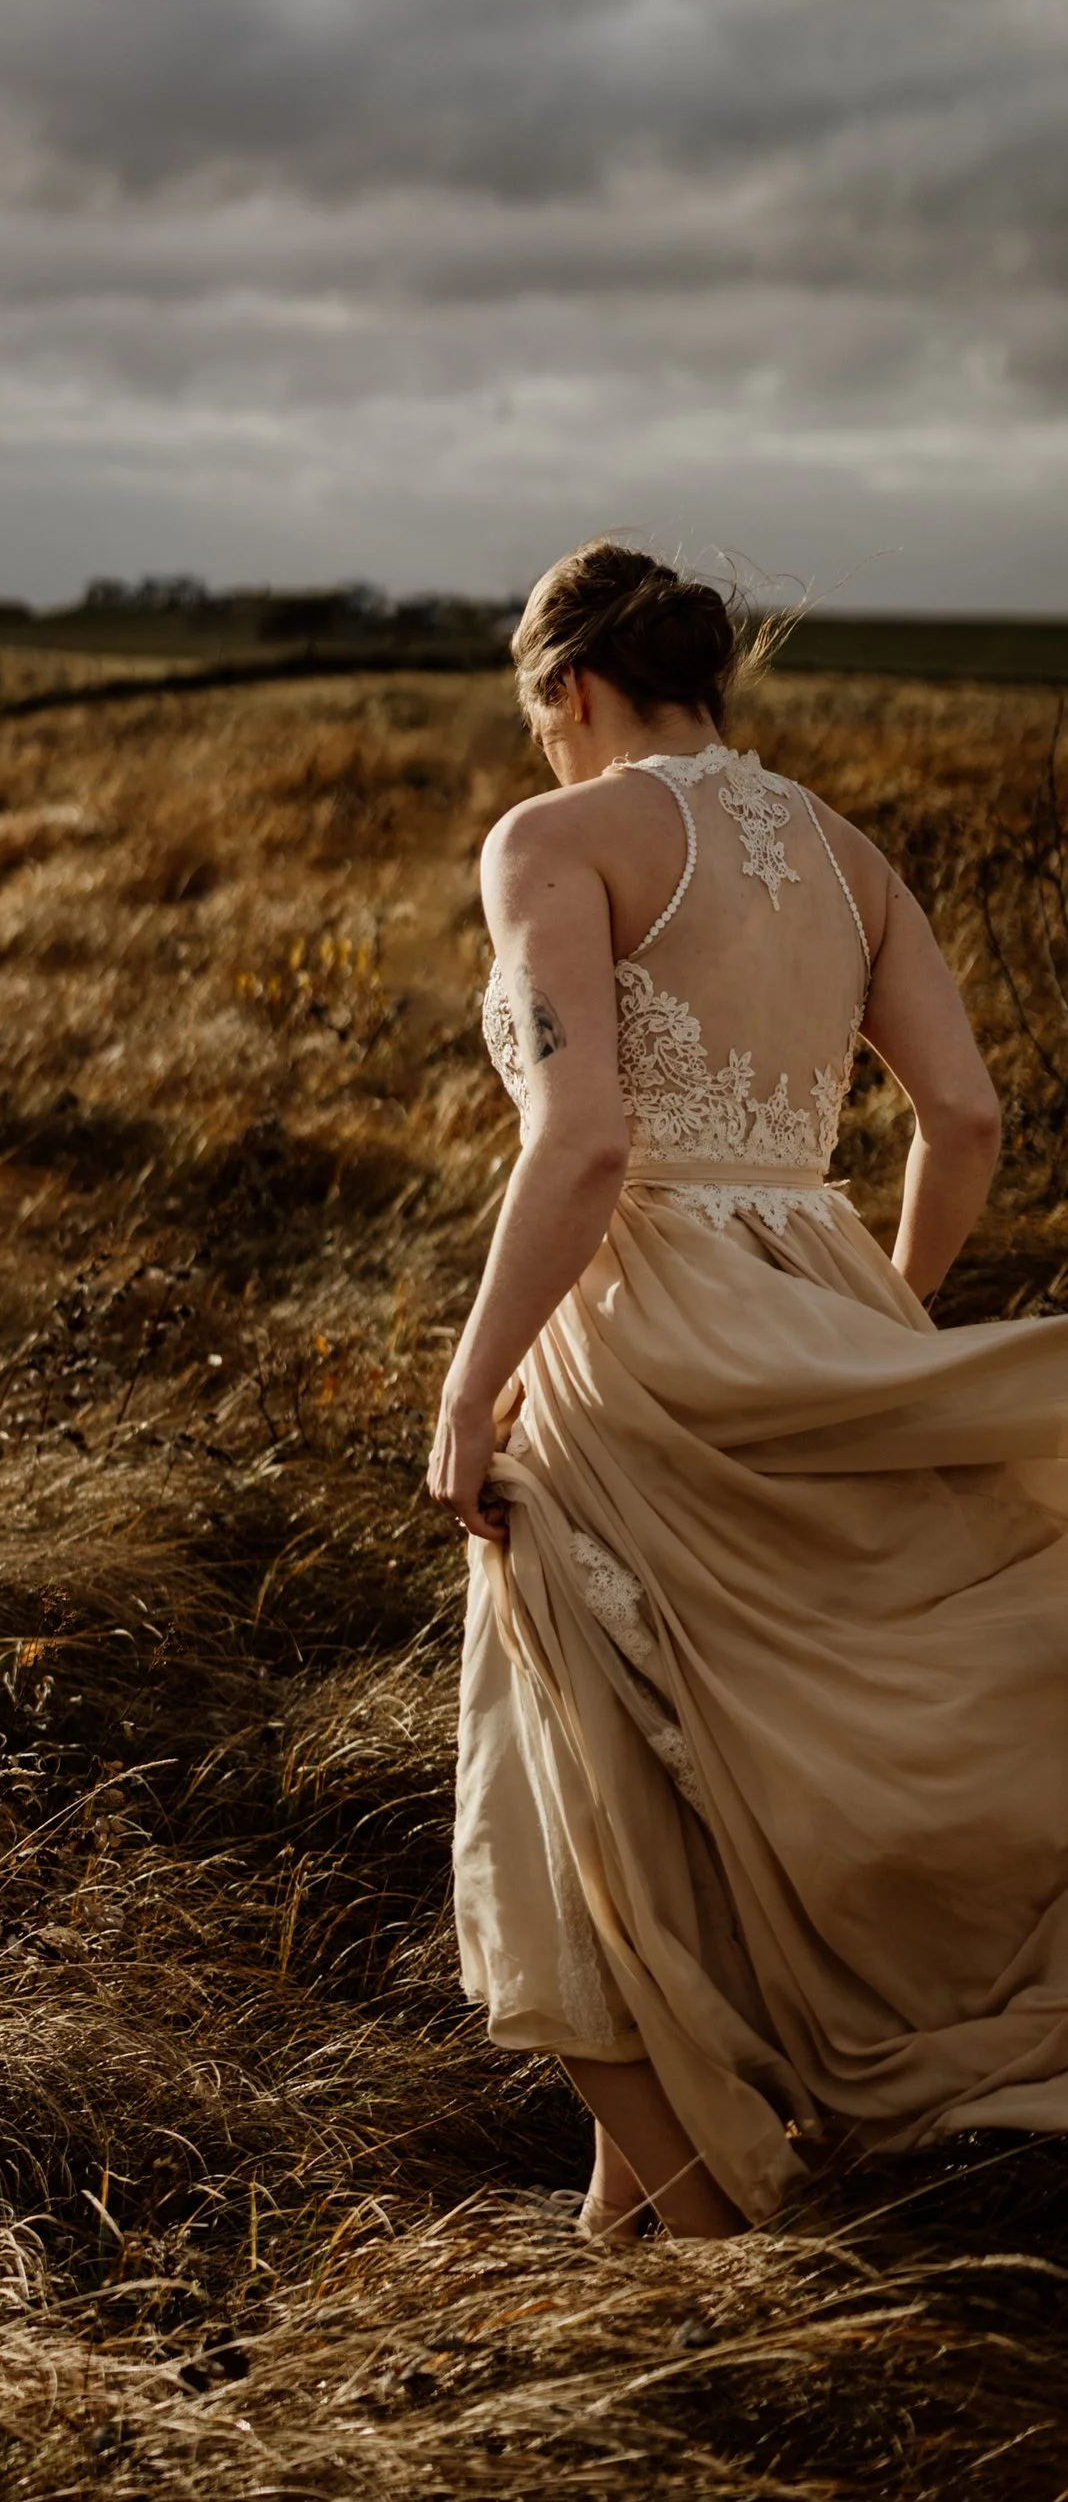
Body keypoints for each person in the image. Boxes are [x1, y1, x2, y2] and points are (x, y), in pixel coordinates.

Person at [429, 541, 1068, 2238]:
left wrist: (468, 1388)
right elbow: (971, 1119)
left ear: (567, 689)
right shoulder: (852, 859)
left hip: (632, 1327)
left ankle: (719, 2254)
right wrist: (876, 1331)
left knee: (563, 1775)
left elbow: (583, 1144)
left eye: (541, 719)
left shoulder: (553, 838)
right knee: (702, 1766)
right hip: (811, 1298)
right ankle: (618, 2231)